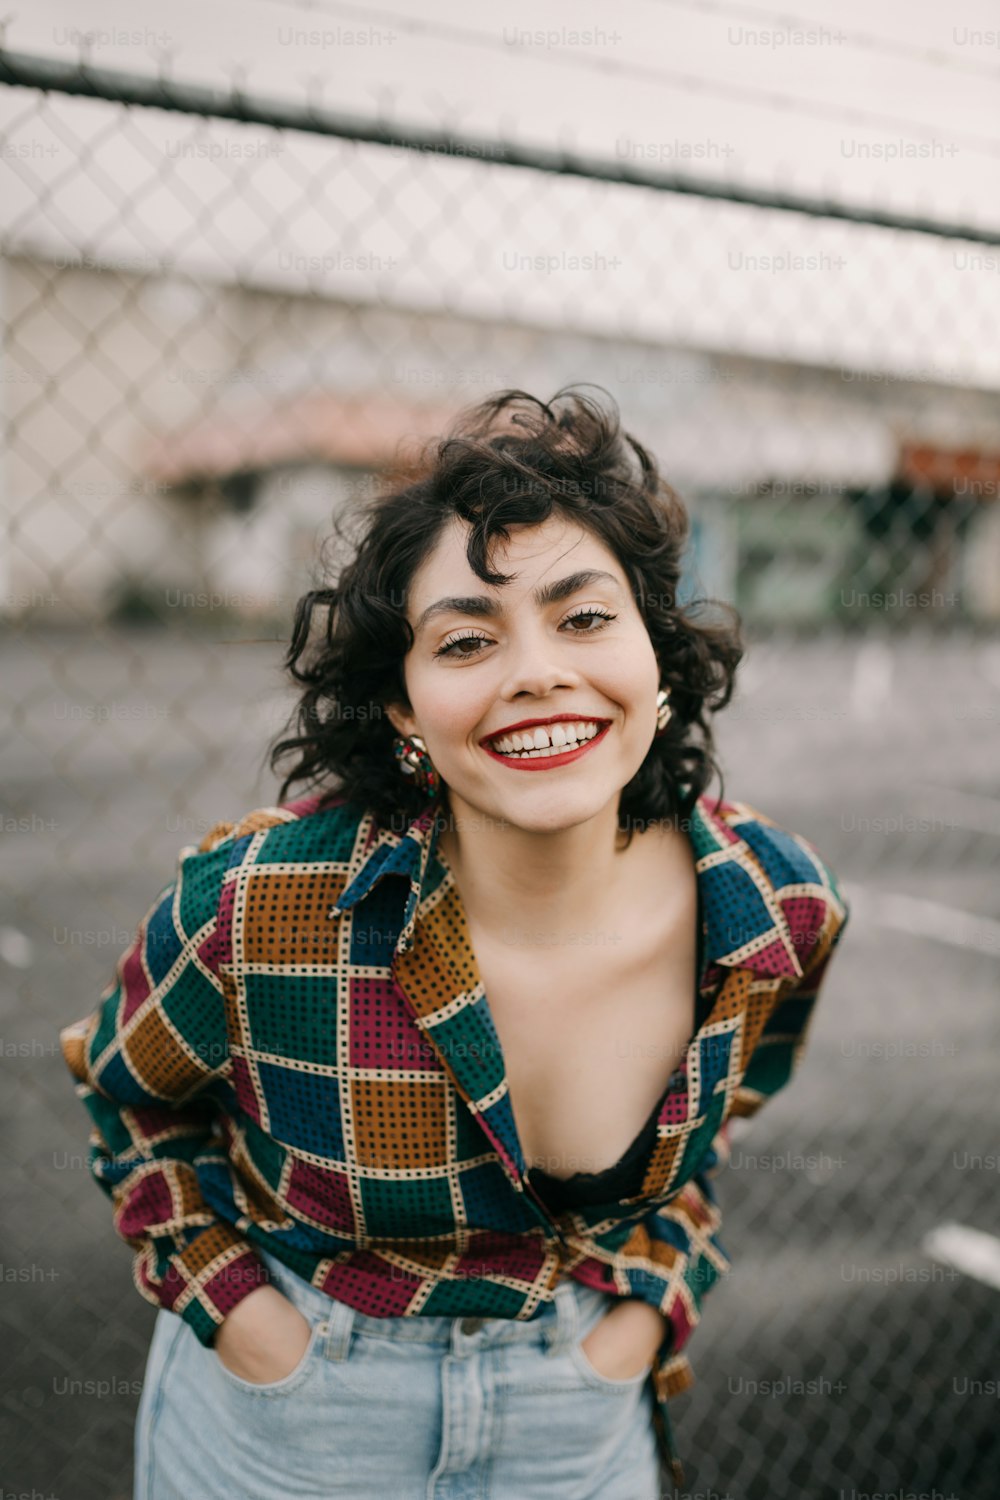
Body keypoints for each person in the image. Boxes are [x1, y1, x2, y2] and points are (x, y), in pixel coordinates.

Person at [59, 386, 850, 1499]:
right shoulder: (261, 908)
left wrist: (637, 1312)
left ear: (658, 661)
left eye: (583, 617)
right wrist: (243, 1319)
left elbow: (715, 1131)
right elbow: (129, 1099)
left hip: (579, 1416)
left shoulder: (775, 904)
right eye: (468, 638)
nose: (535, 671)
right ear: (404, 710)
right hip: (295, 1417)